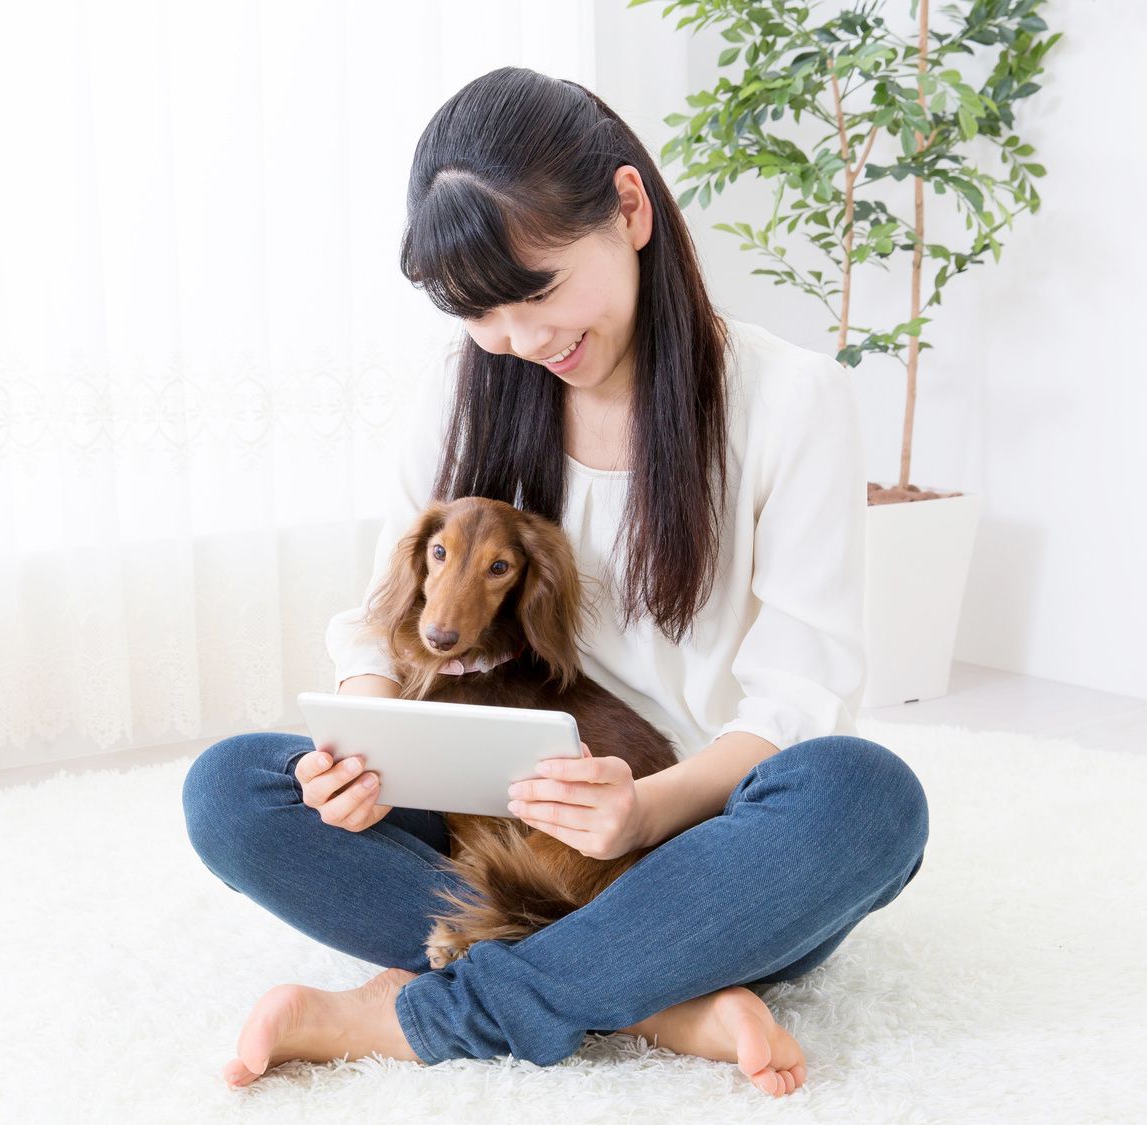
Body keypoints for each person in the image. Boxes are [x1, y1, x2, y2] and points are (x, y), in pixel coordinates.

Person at [180, 66, 928, 1098]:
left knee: (864, 799)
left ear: (627, 208)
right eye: (481, 314)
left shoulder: (787, 401)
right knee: (233, 791)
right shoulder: (461, 391)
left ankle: (429, 1014)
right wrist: (360, 745)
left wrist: (644, 813)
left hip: (693, 847)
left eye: (535, 293)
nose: (522, 343)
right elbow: (376, 630)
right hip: (489, 833)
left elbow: (796, 695)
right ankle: (654, 996)